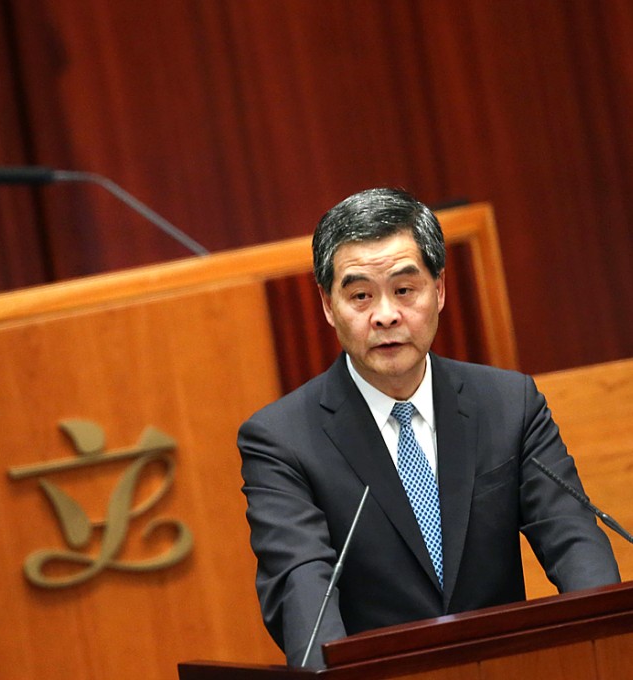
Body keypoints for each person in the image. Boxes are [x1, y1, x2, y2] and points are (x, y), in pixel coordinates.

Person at [238, 188, 620, 668]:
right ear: (328, 305)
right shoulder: (282, 441)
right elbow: (302, 588)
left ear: (438, 291)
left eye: (404, 290)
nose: (385, 315)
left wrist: (611, 646)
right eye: (359, 295)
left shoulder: (508, 404)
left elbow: (573, 540)